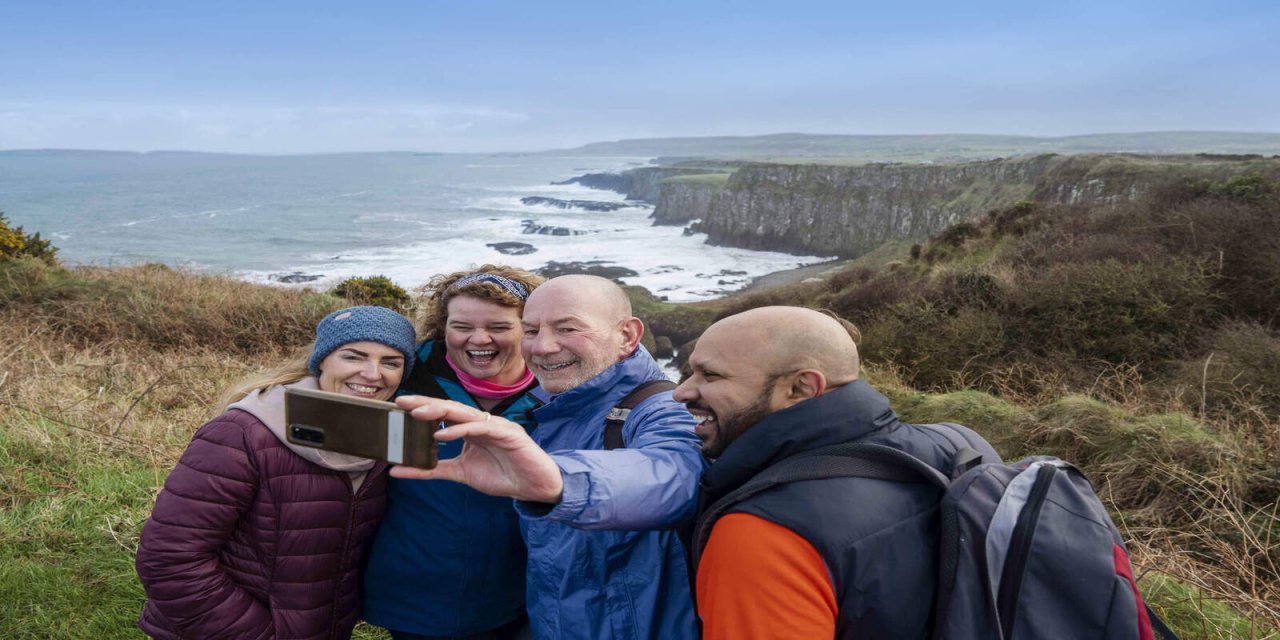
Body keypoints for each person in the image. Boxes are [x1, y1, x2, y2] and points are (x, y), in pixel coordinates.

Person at [392, 274, 706, 640]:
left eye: (567, 328)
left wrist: (558, 481)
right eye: (531, 330)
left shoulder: (659, 408)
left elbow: (674, 474)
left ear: (628, 336)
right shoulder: (554, 408)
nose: (542, 347)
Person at [672, 306, 998, 640]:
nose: (680, 391)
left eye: (710, 375)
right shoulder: (957, 447)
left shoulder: (763, 532)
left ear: (802, 388)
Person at [135, 305, 417, 640]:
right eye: (353, 357)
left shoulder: (384, 439)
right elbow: (169, 558)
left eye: (391, 362)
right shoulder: (241, 433)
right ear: (322, 359)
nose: (372, 374)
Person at [362, 266, 544, 640]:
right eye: (462, 326)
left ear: (529, 328)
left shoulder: (560, 389)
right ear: (444, 327)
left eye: (498, 326)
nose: (479, 339)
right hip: (420, 600)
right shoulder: (402, 380)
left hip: (526, 598)